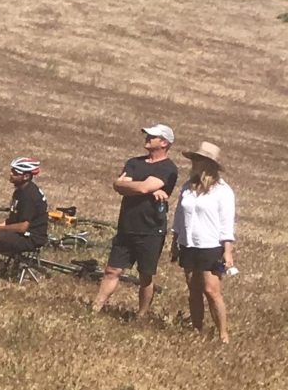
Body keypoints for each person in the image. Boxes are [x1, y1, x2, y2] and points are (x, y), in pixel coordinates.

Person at [91, 124, 179, 324]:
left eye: (152, 136)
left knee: (145, 275)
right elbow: (119, 185)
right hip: (126, 225)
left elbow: (140, 188)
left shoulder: (168, 168)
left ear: (164, 143)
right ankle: (96, 307)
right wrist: (134, 186)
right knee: (112, 270)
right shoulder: (134, 162)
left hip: (150, 229)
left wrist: (133, 186)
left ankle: (141, 315)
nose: (147, 138)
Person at [173, 142, 235, 345]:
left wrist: (227, 251)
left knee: (211, 290)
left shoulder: (222, 191)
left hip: (210, 245)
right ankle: (196, 328)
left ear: (208, 164)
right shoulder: (187, 187)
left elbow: (227, 223)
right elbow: (179, 215)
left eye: (197, 160)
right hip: (188, 244)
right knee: (193, 288)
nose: (193, 164)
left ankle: (223, 334)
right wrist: (175, 240)